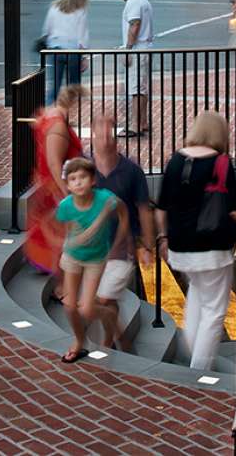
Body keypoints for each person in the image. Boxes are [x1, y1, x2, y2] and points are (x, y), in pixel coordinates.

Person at [154, 111, 236, 371]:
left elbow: (161, 207)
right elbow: (235, 210)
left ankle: (192, 347)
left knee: (197, 293)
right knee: (215, 310)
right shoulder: (222, 163)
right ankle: (199, 369)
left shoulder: (175, 161)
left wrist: (163, 237)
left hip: (180, 248)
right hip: (213, 249)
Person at [56, 157, 130, 364]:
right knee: (69, 306)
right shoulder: (66, 206)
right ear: (68, 185)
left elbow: (124, 213)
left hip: (95, 260)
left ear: (93, 180)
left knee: (87, 310)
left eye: (82, 177)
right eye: (73, 179)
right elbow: (66, 232)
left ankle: (109, 315)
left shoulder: (105, 199)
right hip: (72, 257)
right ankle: (79, 341)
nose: (78, 182)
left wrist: (118, 241)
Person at [91, 115, 154, 347]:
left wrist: (148, 246)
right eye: (102, 133)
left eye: (110, 133)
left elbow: (144, 209)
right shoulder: (84, 169)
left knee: (102, 298)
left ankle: (113, 340)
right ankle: (118, 339)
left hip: (122, 250)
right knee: (108, 301)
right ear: (94, 135)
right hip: (94, 249)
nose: (106, 138)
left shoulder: (132, 171)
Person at [24, 84, 86, 275]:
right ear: (74, 104)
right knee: (60, 236)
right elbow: (54, 163)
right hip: (55, 187)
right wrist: (65, 192)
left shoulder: (49, 116)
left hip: (49, 184)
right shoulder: (58, 125)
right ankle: (60, 280)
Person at [112, 0, 154, 137]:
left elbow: (134, 24)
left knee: (136, 89)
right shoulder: (142, 0)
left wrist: (128, 49)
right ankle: (142, 122)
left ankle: (135, 125)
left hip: (137, 49)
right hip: (144, 48)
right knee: (142, 88)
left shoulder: (134, 2)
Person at [42, 0, 90, 104]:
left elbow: (47, 29)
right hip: (72, 51)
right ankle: (70, 114)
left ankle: (50, 113)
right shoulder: (80, 11)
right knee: (73, 86)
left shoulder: (54, 6)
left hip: (55, 49)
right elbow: (82, 36)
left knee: (55, 85)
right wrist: (84, 57)